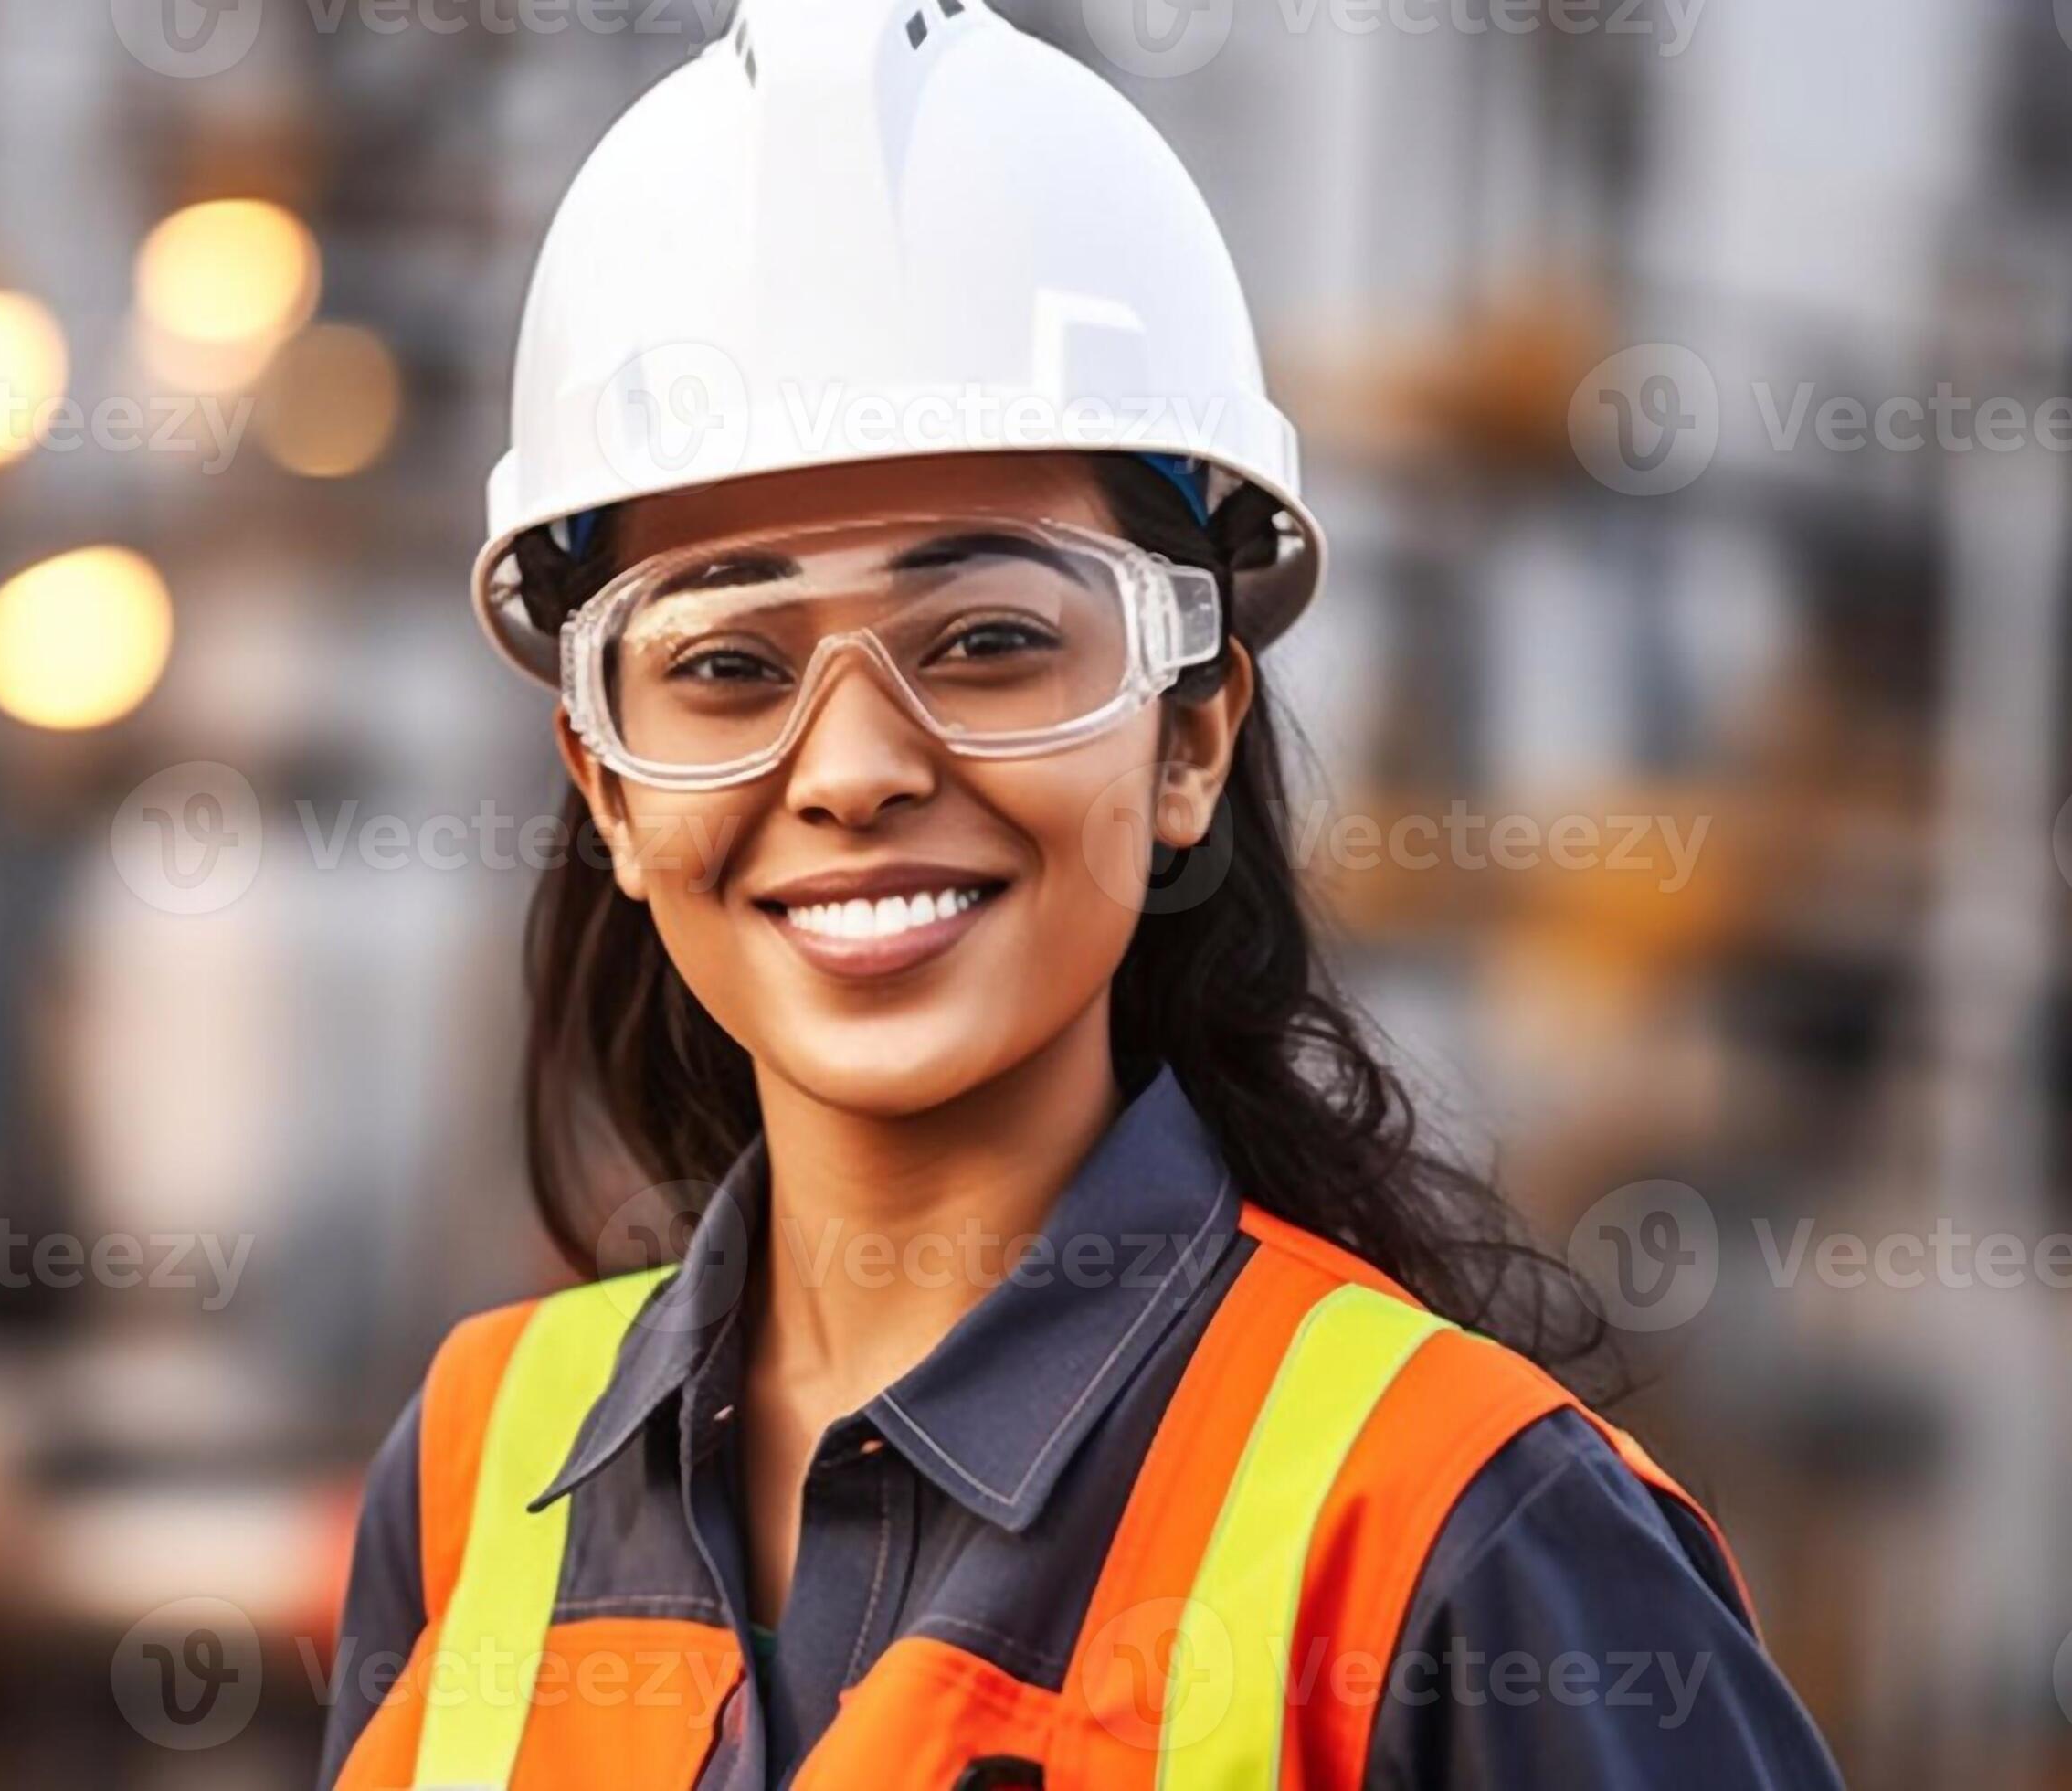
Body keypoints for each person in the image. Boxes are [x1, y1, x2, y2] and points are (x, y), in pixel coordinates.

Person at [321, 3, 1843, 1786]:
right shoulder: (475, 1473)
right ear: (606, 780)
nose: (852, 766)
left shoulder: (1456, 1537)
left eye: (987, 641)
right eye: (729, 663)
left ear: (1190, 732)